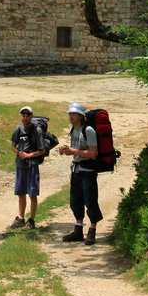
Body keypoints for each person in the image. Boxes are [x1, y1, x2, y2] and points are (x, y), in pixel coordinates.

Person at [58, 102, 102, 245]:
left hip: (88, 171)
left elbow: (93, 154)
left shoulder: (88, 130)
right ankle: (78, 229)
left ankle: (92, 230)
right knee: (75, 201)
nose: (70, 116)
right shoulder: (74, 129)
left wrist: (74, 151)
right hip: (76, 170)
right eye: (70, 114)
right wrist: (67, 150)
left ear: (80, 116)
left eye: (73, 114)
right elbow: (76, 149)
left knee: (90, 201)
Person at [9, 106, 45, 230]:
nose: (25, 117)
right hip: (20, 164)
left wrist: (29, 155)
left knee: (32, 193)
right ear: (20, 116)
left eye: (28, 115)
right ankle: (21, 218)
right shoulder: (18, 129)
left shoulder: (37, 130)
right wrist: (19, 153)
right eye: (23, 115)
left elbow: (42, 150)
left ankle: (32, 220)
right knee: (21, 193)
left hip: (32, 165)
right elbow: (13, 145)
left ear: (31, 116)